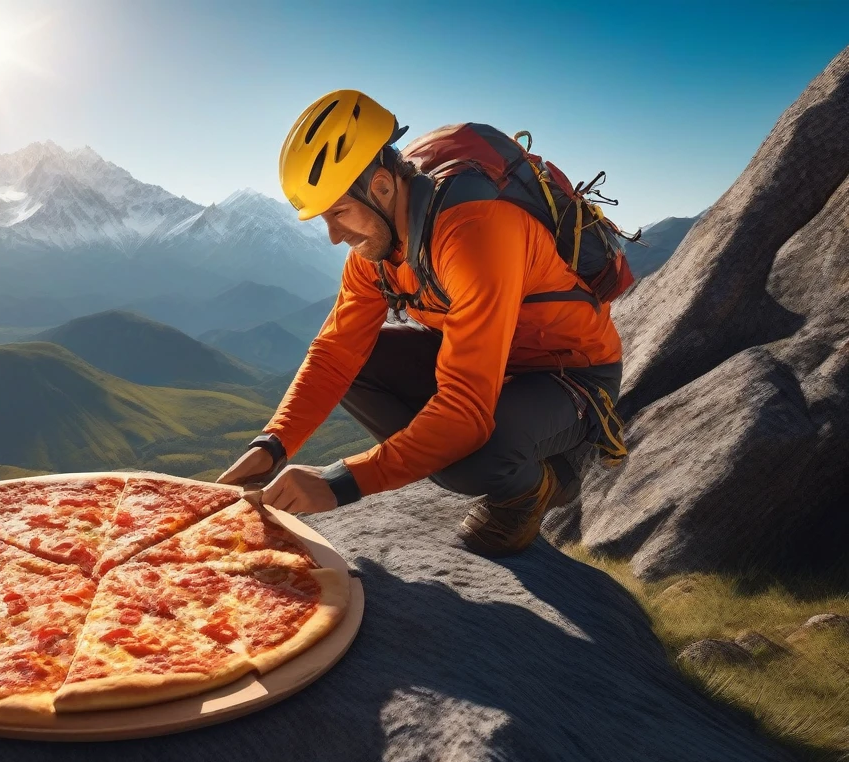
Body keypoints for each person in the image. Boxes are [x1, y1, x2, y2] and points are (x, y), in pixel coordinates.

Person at [217, 90, 625, 557]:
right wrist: (271, 445)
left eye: (337, 213)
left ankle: (543, 482)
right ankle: (461, 448)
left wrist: (341, 482)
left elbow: (466, 412)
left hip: (567, 372)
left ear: (383, 187)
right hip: (481, 356)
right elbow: (335, 354)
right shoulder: (374, 251)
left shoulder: (475, 233)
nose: (333, 236)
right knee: (359, 364)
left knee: (469, 460)